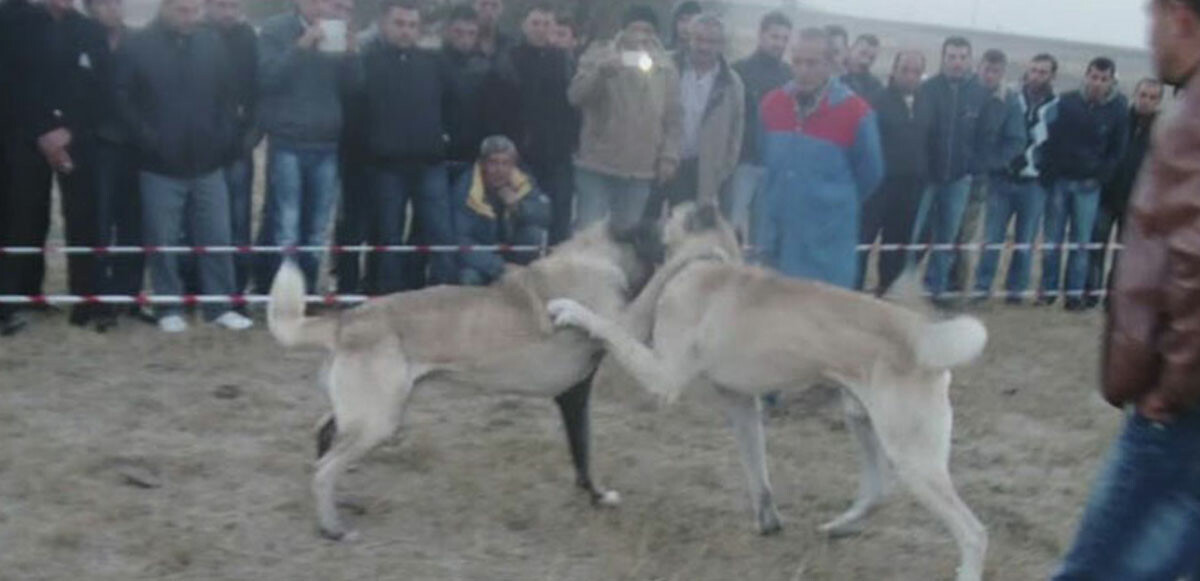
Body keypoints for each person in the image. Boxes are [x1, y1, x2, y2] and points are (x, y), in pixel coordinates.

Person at [1051, 1, 1200, 578]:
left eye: (1153, 21)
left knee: (1096, 568)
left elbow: (1195, 261)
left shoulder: (1191, 122)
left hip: (1177, 413)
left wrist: (1175, 387)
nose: (1149, 38)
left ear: (1181, 20)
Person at [114, 0, 252, 333]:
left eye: (194, 10)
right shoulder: (138, 45)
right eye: (181, 10)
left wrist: (222, 138)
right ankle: (168, 306)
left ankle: (220, 306)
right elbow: (122, 98)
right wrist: (150, 140)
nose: (189, 17)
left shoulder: (212, 44)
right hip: (158, 166)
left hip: (208, 164)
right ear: (164, 8)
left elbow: (227, 97)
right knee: (163, 241)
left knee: (217, 237)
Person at [0, 0, 110, 333]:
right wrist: (42, 131)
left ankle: (85, 301)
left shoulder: (89, 30)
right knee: (23, 216)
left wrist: (69, 130)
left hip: (76, 139)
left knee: (83, 217)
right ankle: (15, 298)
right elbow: (10, 83)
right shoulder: (12, 20)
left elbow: (99, 88)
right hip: (23, 137)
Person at [757, 27, 883, 289]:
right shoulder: (772, 104)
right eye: (798, 62)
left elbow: (870, 174)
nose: (803, 70)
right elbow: (764, 162)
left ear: (830, 63)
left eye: (812, 63)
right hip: (777, 244)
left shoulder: (856, 114)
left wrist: (830, 202)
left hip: (826, 251)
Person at [255, 0, 354, 294]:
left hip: (326, 144)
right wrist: (302, 46)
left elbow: (353, 88)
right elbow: (267, 77)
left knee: (316, 227)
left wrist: (351, 53)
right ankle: (279, 290)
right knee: (287, 224)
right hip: (288, 142)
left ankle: (307, 290)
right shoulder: (276, 29)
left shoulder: (336, 31)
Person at [356, 0, 455, 294]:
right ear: (385, 24)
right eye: (399, 24)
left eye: (412, 25)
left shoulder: (432, 62)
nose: (406, 31)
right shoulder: (368, 61)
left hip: (430, 164)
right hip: (386, 167)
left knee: (441, 235)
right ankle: (389, 297)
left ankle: (443, 296)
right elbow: (357, 107)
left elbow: (453, 101)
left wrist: (443, 136)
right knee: (388, 239)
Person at [569, 5, 681, 231]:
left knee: (627, 238)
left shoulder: (666, 66)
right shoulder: (599, 54)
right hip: (597, 164)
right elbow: (576, 96)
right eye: (635, 29)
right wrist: (600, 73)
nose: (640, 36)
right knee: (590, 233)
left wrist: (669, 156)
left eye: (647, 31)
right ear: (623, 31)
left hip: (640, 169)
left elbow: (674, 117)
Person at [1040, 56, 1130, 310]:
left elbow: (1117, 151)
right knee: (1052, 242)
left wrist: (1100, 177)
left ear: (1111, 81)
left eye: (1103, 79)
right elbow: (1050, 140)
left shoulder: (1118, 109)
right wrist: (1050, 173)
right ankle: (1047, 291)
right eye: (1093, 77)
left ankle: (1074, 295)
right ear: (1086, 76)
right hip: (1060, 182)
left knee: (1081, 244)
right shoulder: (1067, 102)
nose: (1097, 83)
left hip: (1089, 187)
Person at [483, 4, 576, 244]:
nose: (541, 29)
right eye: (535, 23)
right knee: (523, 218)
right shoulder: (509, 59)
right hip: (522, 155)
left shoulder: (564, 61)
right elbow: (496, 108)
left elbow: (575, 106)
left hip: (559, 154)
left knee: (560, 217)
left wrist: (572, 141)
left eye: (546, 24)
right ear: (524, 25)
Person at [973, 53, 1061, 304]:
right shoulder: (1008, 98)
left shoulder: (1057, 106)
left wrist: (1045, 170)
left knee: (1024, 242)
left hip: (1034, 184)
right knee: (992, 239)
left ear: (1052, 76)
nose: (1036, 76)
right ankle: (982, 288)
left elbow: (1057, 144)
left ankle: (1015, 291)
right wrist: (998, 163)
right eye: (1033, 70)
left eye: (1043, 72)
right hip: (1002, 180)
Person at [87, 0, 151, 330]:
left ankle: (128, 295)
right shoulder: (83, 37)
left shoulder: (138, 41)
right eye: (105, 3)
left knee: (135, 224)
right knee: (99, 223)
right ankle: (99, 300)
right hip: (97, 146)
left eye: (117, 2)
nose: (114, 8)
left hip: (136, 146)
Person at [911, 36, 989, 303]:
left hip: (958, 180)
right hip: (926, 179)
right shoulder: (928, 89)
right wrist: (920, 167)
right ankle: (904, 287)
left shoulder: (979, 93)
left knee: (946, 239)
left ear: (970, 60)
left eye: (962, 57)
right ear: (943, 58)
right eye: (952, 56)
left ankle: (937, 290)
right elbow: (918, 133)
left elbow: (984, 135)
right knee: (913, 235)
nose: (957, 62)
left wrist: (972, 167)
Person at [949, 48, 1025, 299]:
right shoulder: (962, 90)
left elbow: (1016, 141)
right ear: (978, 66)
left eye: (995, 71)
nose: (989, 75)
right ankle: (933, 282)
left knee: (964, 235)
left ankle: (956, 288)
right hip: (950, 172)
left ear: (1002, 73)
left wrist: (990, 163)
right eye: (986, 69)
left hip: (979, 179)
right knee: (941, 233)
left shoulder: (1009, 101)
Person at [649, 13, 743, 215]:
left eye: (712, 41)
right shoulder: (664, 67)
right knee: (643, 228)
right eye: (699, 39)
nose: (705, 47)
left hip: (696, 169)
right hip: (655, 159)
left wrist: (721, 169)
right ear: (688, 38)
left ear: (721, 45)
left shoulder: (731, 83)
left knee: (684, 233)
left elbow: (736, 132)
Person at [1084, 78, 1164, 308]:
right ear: (1134, 94)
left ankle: (1114, 297)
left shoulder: (1163, 130)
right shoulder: (1119, 119)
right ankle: (1090, 294)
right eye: (1143, 95)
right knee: (1096, 248)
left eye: (1152, 97)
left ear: (1159, 101)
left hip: (1137, 202)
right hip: (1106, 196)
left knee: (1125, 255)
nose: (1146, 101)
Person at [858, 50, 932, 295]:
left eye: (916, 72)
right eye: (905, 70)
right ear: (894, 70)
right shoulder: (876, 101)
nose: (910, 77)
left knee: (897, 243)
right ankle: (853, 289)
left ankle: (887, 290)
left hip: (911, 187)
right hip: (879, 185)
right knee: (864, 240)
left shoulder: (926, 103)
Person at [206, 0, 258, 297]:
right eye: (221, 5)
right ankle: (197, 285)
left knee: (238, 221)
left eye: (233, 5)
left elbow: (258, 89)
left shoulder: (248, 37)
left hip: (238, 148)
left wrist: (251, 136)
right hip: (201, 148)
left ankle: (237, 288)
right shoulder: (198, 36)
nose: (227, 12)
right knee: (201, 223)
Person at [728, 10, 791, 242]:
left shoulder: (790, 77)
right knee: (731, 228)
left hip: (773, 168)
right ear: (761, 35)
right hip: (741, 164)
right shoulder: (738, 71)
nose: (780, 44)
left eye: (785, 39)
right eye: (775, 37)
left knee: (762, 235)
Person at [455, 135, 550, 286]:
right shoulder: (466, 188)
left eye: (506, 163)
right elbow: (460, 241)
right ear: (483, 164)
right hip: (482, 259)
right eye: (493, 163)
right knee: (469, 278)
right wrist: (499, 267)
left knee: (534, 234)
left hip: (512, 254)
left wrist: (519, 207)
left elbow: (545, 215)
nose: (500, 170)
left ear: (513, 165)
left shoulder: (522, 181)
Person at [441, 4, 490, 183]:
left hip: (474, 154)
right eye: (459, 32)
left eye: (471, 33)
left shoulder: (484, 67)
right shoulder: (433, 64)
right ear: (448, 31)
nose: (465, 39)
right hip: (440, 156)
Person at [842, 33, 883, 101]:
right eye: (863, 53)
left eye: (871, 58)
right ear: (851, 49)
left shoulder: (875, 86)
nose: (866, 61)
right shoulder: (834, 71)